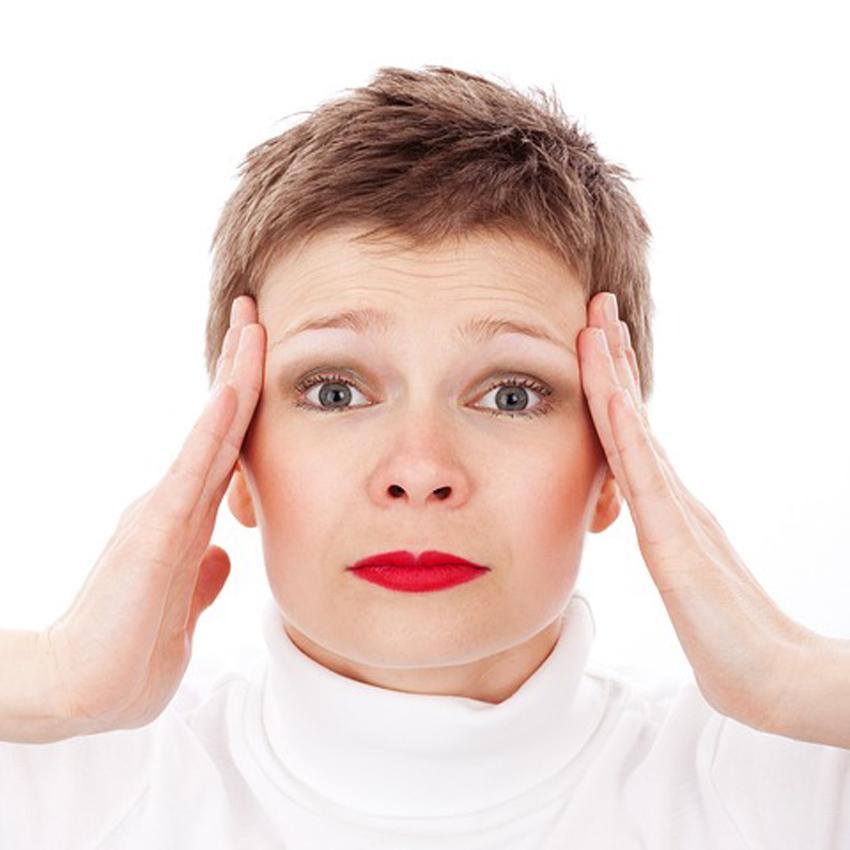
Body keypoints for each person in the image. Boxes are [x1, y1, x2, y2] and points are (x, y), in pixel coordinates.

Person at [1, 64, 848, 848]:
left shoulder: (797, 776)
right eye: (335, 391)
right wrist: (48, 679)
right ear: (238, 460)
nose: (420, 467)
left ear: (613, 466)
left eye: (511, 394)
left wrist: (797, 679)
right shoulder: (56, 779)